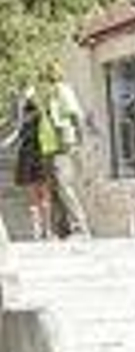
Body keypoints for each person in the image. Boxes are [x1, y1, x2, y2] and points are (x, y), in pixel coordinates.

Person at [35, 81, 90, 238]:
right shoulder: (43, 96)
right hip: (48, 147)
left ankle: (80, 227)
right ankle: (64, 231)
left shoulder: (62, 91)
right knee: (54, 189)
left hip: (62, 146)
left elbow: (76, 115)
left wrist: (78, 142)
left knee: (64, 186)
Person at [8, 93, 55, 242]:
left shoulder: (26, 120)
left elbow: (16, 135)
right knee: (44, 194)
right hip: (41, 155)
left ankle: (38, 231)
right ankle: (46, 231)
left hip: (28, 156)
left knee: (34, 196)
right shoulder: (43, 116)